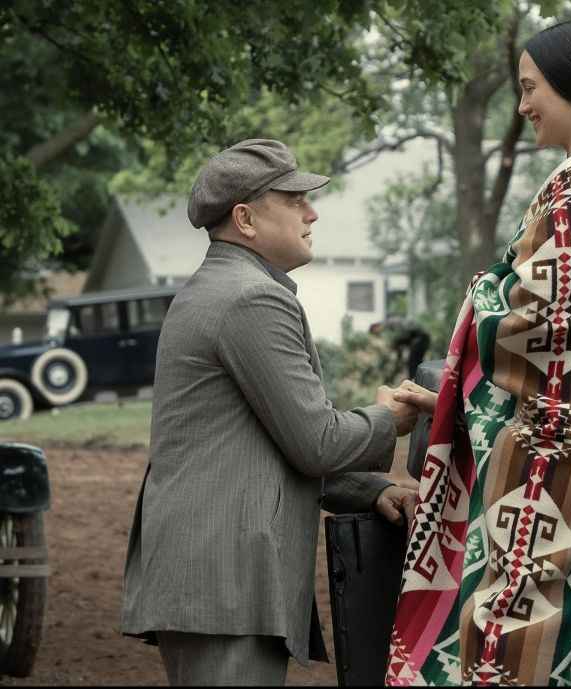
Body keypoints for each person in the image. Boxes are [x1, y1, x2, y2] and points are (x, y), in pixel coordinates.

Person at [385, 19, 571, 686]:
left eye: (530, 87)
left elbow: (543, 330)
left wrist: (485, 288)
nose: (522, 105)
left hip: (554, 454)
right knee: (567, 628)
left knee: (509, 636)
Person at [120, 139, 433, 686]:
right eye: (294, 200)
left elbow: (270, 445)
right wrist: (389, 418)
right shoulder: (251, 298)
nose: (311, 214)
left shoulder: (220, 289)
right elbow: (316, 442)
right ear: (244, 219)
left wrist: (370, 491)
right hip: (225, 583)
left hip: (211, 580)